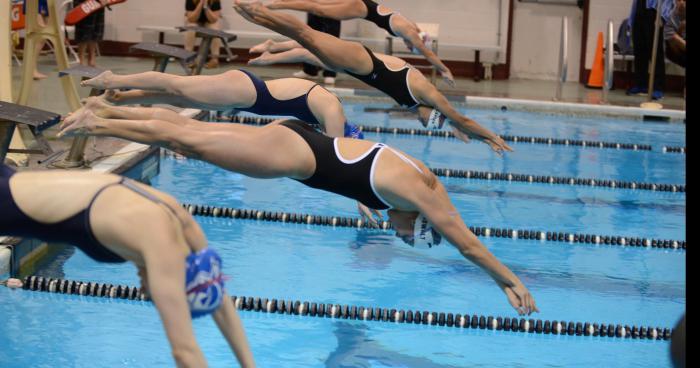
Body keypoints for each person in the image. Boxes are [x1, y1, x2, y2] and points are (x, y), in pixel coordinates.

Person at [58, 102, 539, 317]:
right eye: (410, 234)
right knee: (188, 141)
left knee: (195, 137)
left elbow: (362, 165)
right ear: (423, 220)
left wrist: (361, 194)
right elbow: (469, 245)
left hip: (300, 139)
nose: (401, 235)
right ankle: (98, 119)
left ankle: (103, 111)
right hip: (293, 157)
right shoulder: (421, 197)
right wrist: (509, 281)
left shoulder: (417, 178)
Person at [0, 164, 255, 368]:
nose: (144, 293)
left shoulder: (181, 219)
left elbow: (220, 302)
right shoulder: (162, 248)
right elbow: (185, 352)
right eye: (154, 294)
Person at [236, 1, 512, 155]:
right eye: (433, 121)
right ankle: (260, 11)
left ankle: (272, 46)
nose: (426, 123)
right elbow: (460, 118)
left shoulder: (419, 107)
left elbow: (455, 123)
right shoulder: (427, 94)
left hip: (360, 69)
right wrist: (491, 134)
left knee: (310, 50)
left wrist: (474, 136)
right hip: (363, 61)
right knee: (307, 36)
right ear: (436, 111)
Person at [80, 69, 364, 139]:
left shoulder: (325, 112)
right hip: (248, 91)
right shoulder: (332, 110)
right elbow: (335, 155)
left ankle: (121, 97)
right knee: (177, 85)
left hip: (247, 97)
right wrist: (360, 195)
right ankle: (114, 79)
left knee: (178, 96)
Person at [267, 0, 455, 86]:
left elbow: (423, 40)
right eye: (410, 47)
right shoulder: (410, 33)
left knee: (319, 6)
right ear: (417, 42)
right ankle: (278, 5)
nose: (408, 46)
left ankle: (279, 4)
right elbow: (428, 53)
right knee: (318, 9)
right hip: (362, 9)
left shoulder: (413, 28)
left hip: (365, 6)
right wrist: (444, 69)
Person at [626, 0, 676, 100]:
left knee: (655, 51)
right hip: (640, 11)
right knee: (639, 50)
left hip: (654, 12)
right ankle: (641, 84)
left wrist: (662, 16)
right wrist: (631, 19)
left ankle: (658, 87)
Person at [294, 13, 341, 85]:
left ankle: (330, 73)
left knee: (331, 37)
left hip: (332, 4)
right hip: (314, 3)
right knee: (310, 35)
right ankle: (309, 70)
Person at [185, 0, 223, 69]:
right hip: (195, 21)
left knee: (215, 29)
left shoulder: (215, 1)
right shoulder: (190, 1)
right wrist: (200, 4)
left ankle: (214, 59)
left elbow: (213, 20)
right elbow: (192, 19)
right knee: (191, 27)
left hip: (209, 22)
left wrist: (206, 6)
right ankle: (189, 57)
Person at [73, 0, 106, 67]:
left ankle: (91, 59)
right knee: (84, 31)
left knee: (96, 29)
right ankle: (81, 61)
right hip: (83, 3)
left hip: (98, 4)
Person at [23, 0, 49, 79]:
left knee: (44, 36)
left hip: (46, 3)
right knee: (41, 36)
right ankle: (31, 70)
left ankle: (32, 69)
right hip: (34, 3)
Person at [663, 0, 685, 68]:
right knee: (673, 39)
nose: (681, 3)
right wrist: (681, 29)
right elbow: (675, 40)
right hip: (673, 52)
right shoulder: (669, 17)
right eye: (678, 0)